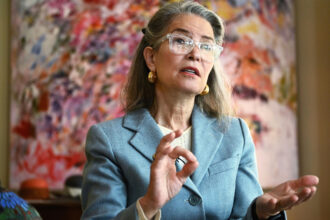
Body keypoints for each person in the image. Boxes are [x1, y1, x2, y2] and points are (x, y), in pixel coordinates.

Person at [81, 1, 319, 219]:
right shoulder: (108, 140)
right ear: (151, 57)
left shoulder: (235, 133)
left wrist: (260, 213)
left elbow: (243, 216)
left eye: (206, 46)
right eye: (181, 41)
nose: (195, 54)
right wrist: (148, 205)